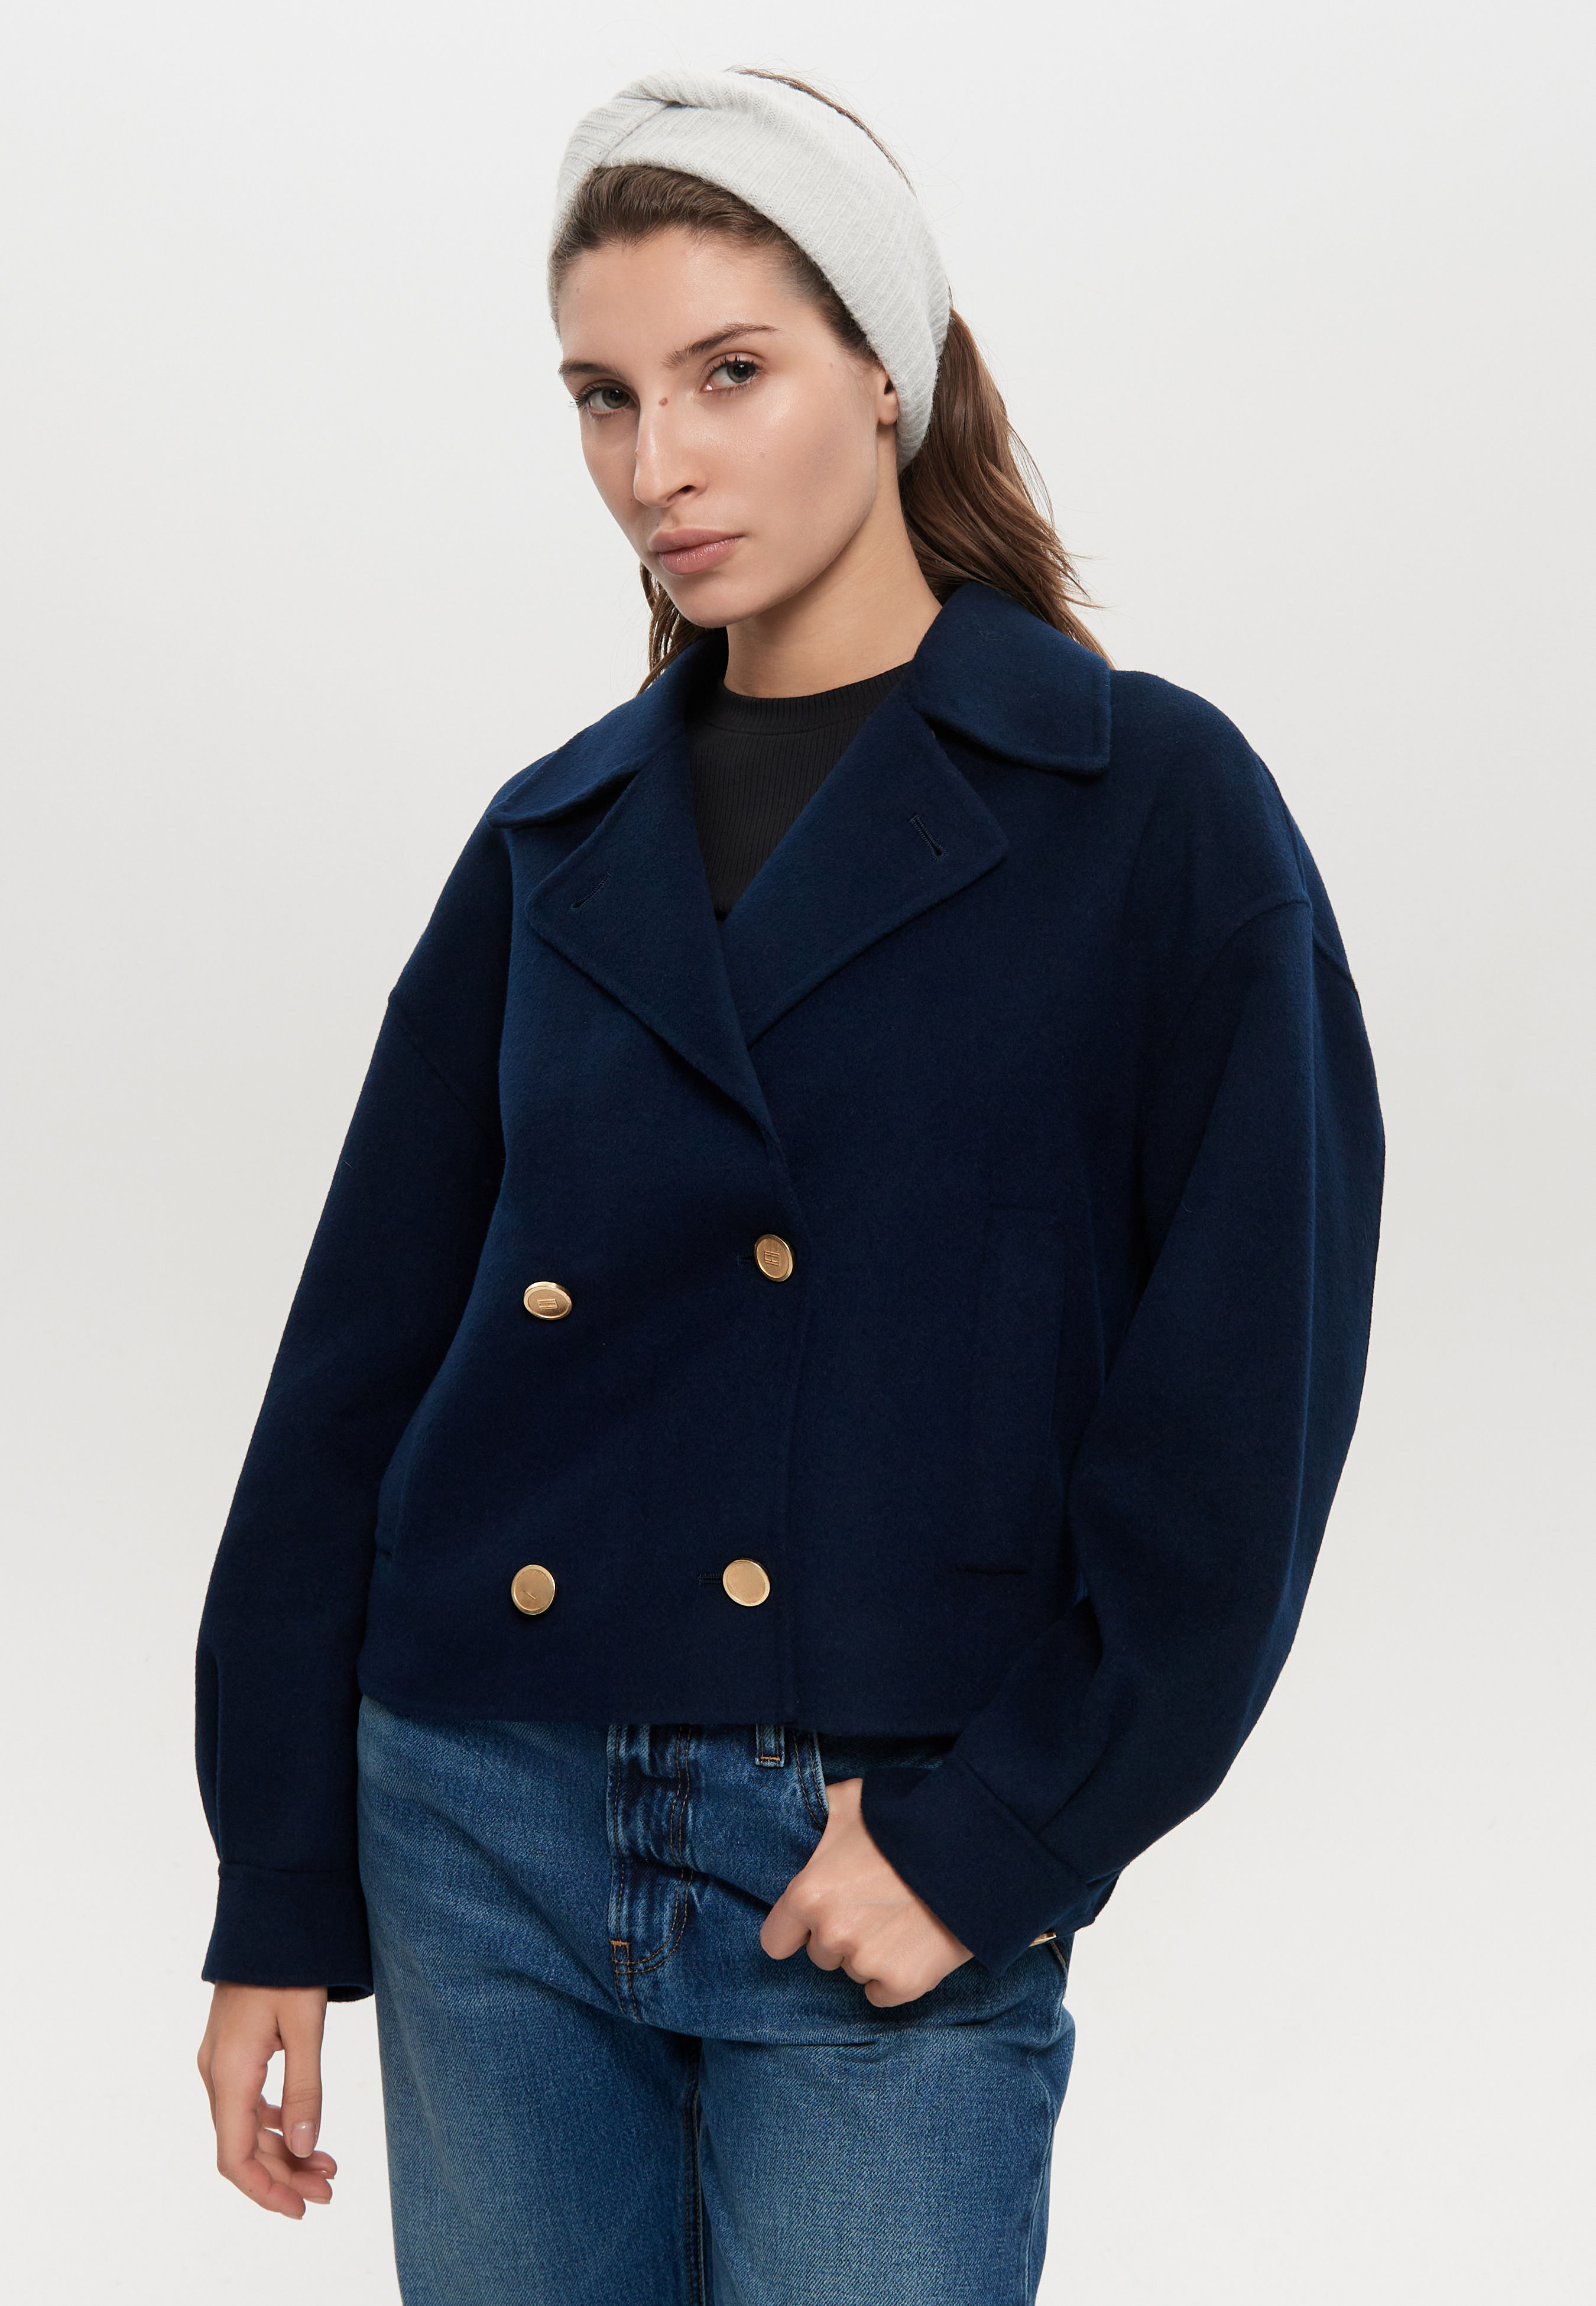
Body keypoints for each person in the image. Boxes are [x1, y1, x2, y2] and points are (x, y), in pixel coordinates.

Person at [193, 64, 1384, 2306]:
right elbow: (351, 1367)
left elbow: (1242, 1392)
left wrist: (1004, 1824)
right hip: (479, 1810)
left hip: (872, 1827)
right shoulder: (555, 838)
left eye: (727, 373)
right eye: (602, 396)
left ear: (884, 369)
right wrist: (275, 1878)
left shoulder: (1147, 808)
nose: (656, 462)